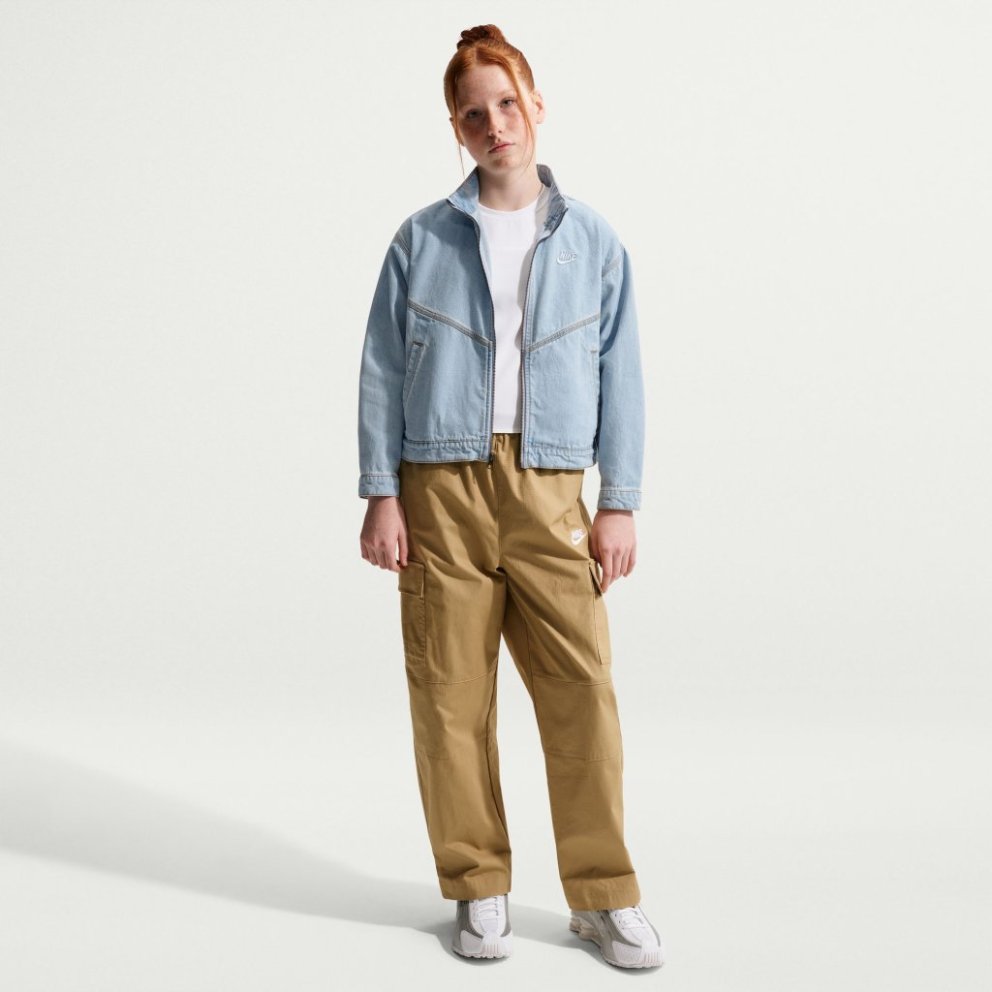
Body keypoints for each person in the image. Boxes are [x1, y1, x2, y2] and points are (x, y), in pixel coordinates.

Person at [357, 24, 664, 969]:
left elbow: (622, 372)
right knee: (449, 699)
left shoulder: (593, 241)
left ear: (536, 105)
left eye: (507, 103)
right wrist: (381, 492)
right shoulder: (421, 239)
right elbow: (380, 371)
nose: (495, 124)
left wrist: (619, 500)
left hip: (551, 490)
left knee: (583, 695)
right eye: (473, 113)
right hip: (439, 488)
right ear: (456, 128)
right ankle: (477, 884)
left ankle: (603, 898)